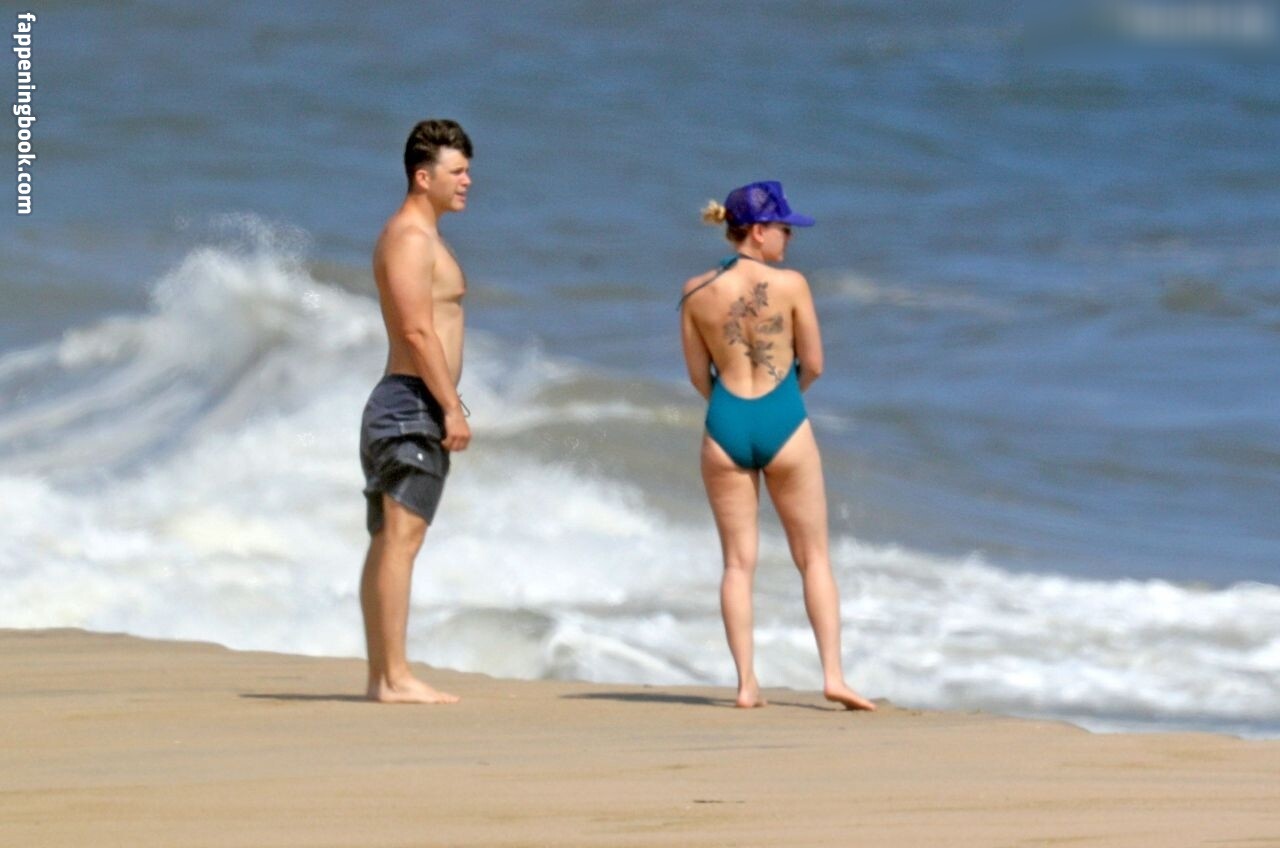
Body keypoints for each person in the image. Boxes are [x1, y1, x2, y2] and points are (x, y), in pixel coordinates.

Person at [679, 181, 876, 711]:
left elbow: (698, 375)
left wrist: (732, 408)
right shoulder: (791, 285)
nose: (790, 237)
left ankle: (746, 684)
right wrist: (784, 402)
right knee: (813, 558)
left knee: (737, 564)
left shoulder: (695, 292)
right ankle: (833, 676)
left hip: (725, 422)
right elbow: (815, 364)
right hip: (783, 417)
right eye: (784, 228)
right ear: (759, 231)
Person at [358, 119, 473, 704]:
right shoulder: (409, 237)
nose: (467, 181)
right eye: (457, 171)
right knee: (400, 539)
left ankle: (384, 677)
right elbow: (416, 330)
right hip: (411, 402)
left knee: (390, 539)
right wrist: (451, 407)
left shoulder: (423, 235)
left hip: (409, 399)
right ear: (423, 177)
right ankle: (395, 676)